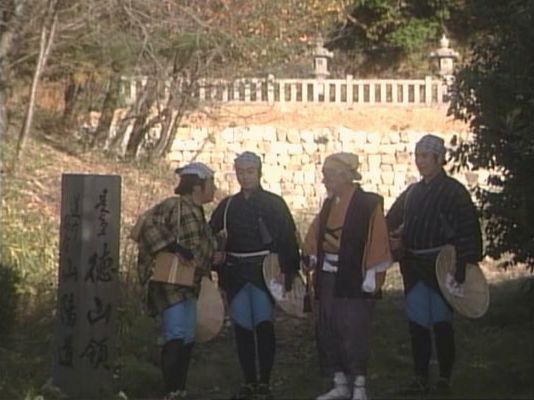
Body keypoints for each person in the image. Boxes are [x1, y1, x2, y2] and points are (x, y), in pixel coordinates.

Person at [386, 134, 483, 396]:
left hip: (443, 267)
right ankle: (419, 376)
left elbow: (467, 230)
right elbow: (390, 220)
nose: (420, 161)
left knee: (441, 324)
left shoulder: (455, 192)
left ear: (439, 159)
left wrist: (461, 266)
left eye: (425, 156)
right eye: (417, 156)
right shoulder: (412, 193)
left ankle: (444, 378)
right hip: (414, 266)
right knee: (417, 323)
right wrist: (391, 239)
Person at [209, 151, 300, 400]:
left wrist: (288, 271)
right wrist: (216, 260)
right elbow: (211, 237)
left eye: (250, 171)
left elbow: (288, 239)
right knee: (242, 327)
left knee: (263, 324)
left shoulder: (274, 204)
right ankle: (249, 380)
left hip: (265, 270)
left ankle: (264, 382)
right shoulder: (227, 206)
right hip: (235, 272)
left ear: (259, 172)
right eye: (240, 172)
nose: (245, 176)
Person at [302, 152, 393, 400]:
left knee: (353, 328)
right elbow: (316, 234)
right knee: (328, 326)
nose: (325, 180)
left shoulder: (368, 204)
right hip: (328, 275)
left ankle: (359, 384)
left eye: (329, 175)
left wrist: (373, 272)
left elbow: (378, 238)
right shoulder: (329, 204)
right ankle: (339, 381)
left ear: (345, 175)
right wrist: (311, 255)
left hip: (354, 277)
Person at [132, 162, 220, 400]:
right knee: (175, 334)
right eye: (211, 183)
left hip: (190, 283)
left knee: (187, 337)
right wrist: (174, 247)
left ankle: (180, 388)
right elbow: (147, 227)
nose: (214, 188)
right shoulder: (173, 205)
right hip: (170, 282)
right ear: (197, 187)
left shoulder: (198, 212)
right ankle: (171, 390)